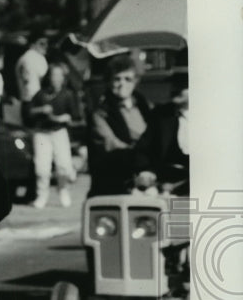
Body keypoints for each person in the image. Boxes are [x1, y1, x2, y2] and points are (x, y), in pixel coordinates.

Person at [88, 54, 151, 197]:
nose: (122, 84)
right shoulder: (101, 112)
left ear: (135, 82)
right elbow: (111, 145)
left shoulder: (144, 106)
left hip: (146, 176)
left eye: (128, 79)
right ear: (109, 82)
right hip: (115, 181)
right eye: (117, 79)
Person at [24, 62, 81, 208]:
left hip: (59, 132)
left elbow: (75, 116)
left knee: (64, 166)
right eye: (53, 75)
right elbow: (29, 112)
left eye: (59, 75)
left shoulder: (68, 94)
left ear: (63, 78)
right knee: (42, 168)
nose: (56, 78)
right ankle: (42, 195)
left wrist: (65, 118)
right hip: (42, 134)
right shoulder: (40, 94)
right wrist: (41, 110)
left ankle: (63, 190)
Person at [133, 73, 189, 197]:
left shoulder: (213, 118)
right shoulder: (161, 114)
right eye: (174, 84)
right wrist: (146, 170)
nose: (175, 89)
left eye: (183, 84)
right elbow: (143, 149)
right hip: (165, 185)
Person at [14, 31, 49, 104]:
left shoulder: (25, 57)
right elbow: (35, 83)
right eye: (42, 43)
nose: (46, 46)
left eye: (46, 43)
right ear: (32, 44)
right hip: (33, 99)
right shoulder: (33, 58)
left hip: (26, 98)